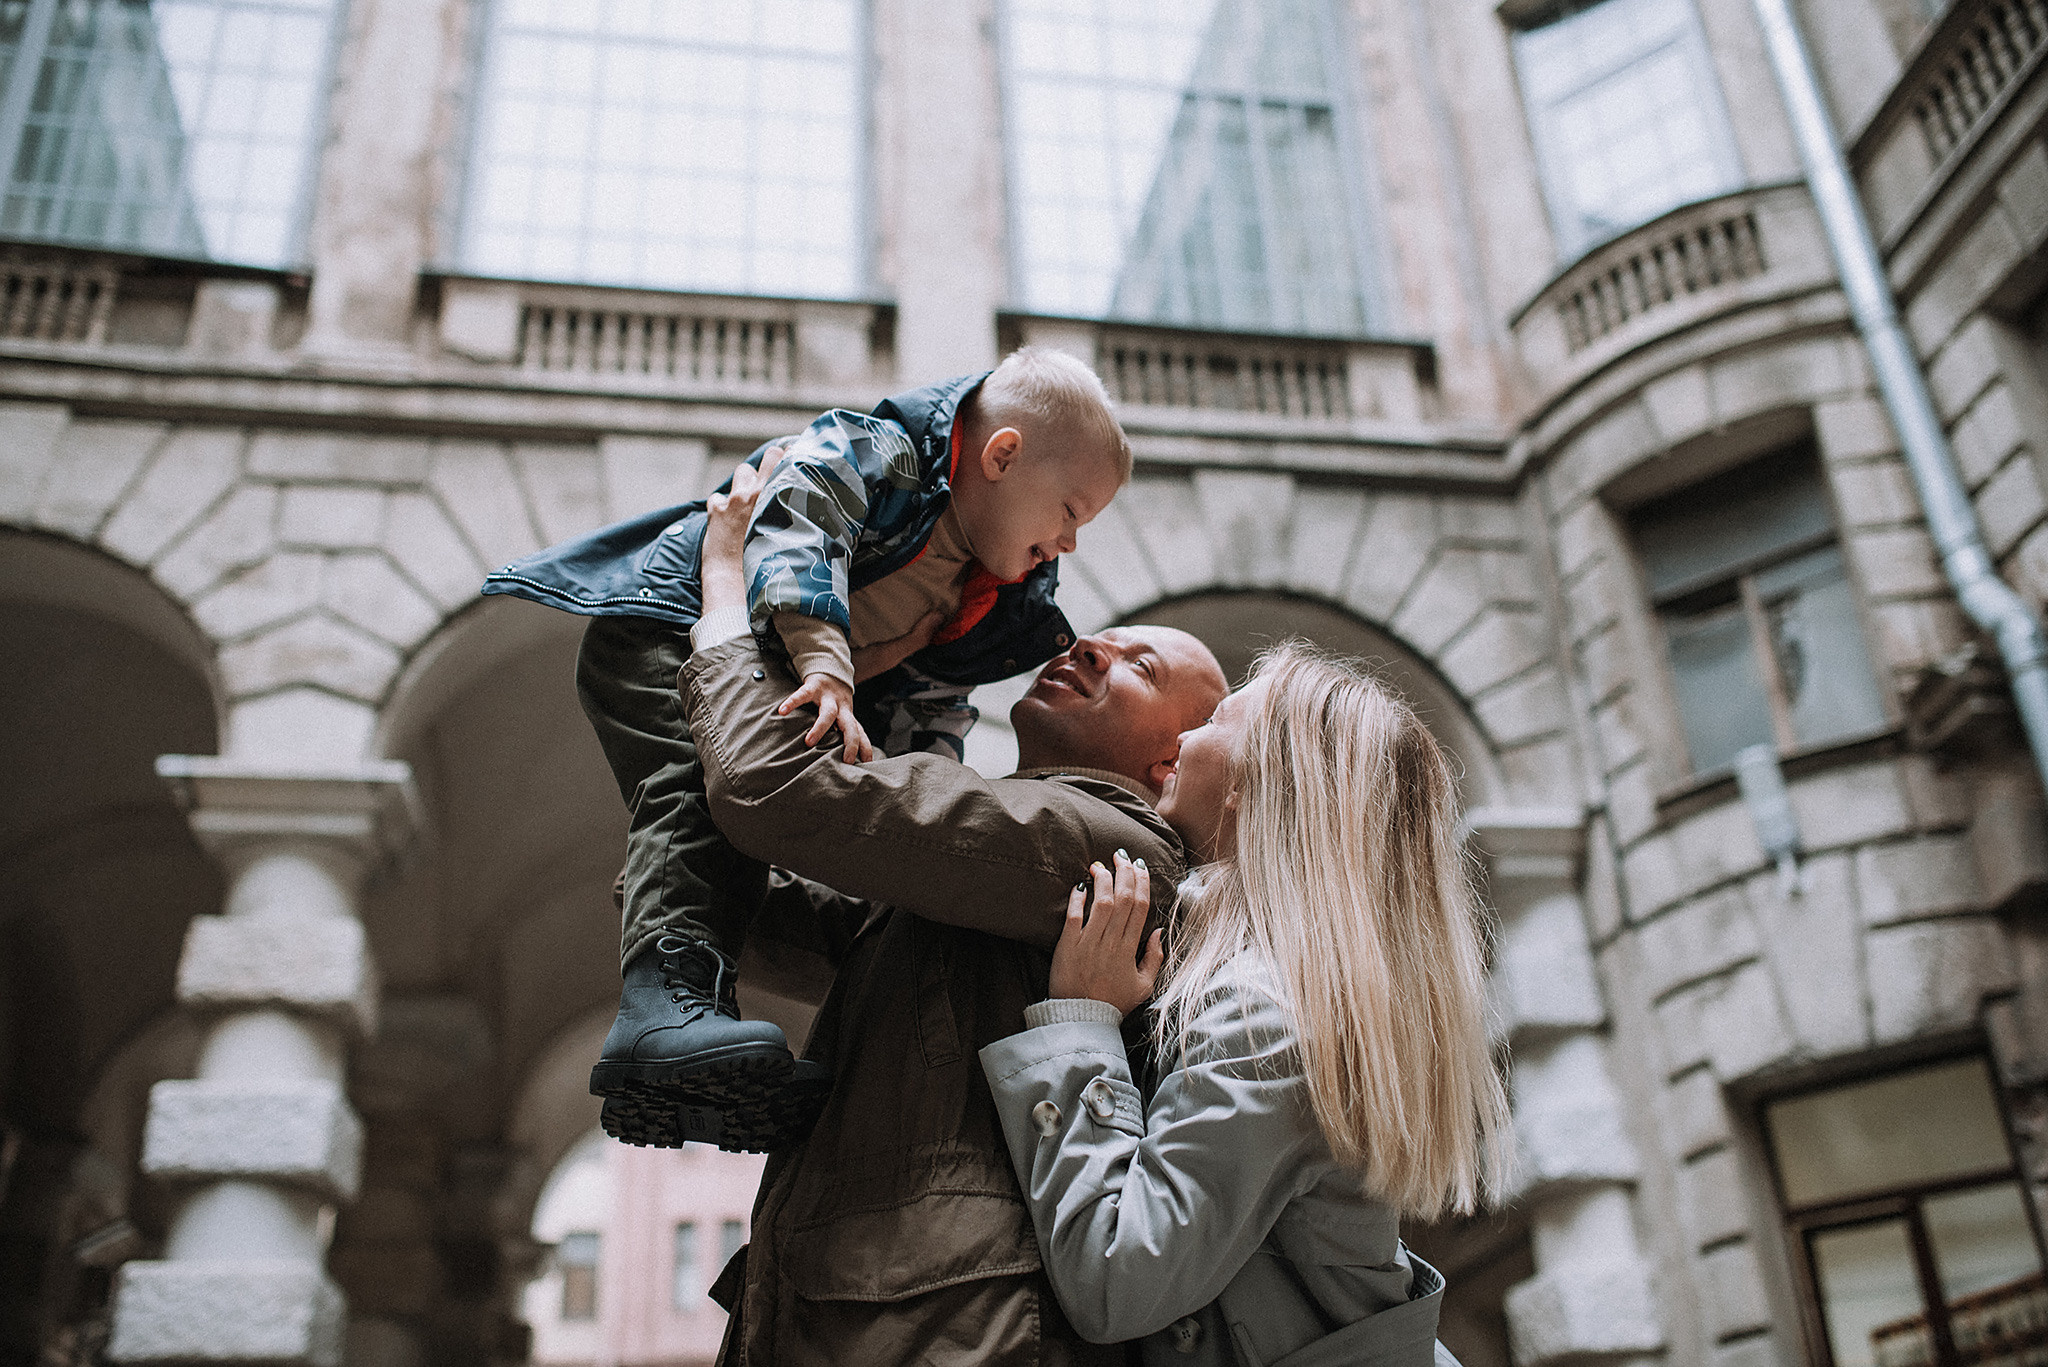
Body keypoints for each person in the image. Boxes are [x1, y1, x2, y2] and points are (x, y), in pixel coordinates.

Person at [481, 347, 1131, 1151]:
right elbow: (800, 522)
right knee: (694, 791)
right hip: (665, 630)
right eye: (1070, 510)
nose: (1069, 542)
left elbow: (934, 708)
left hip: (753, 676)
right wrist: (827, 665)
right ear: (1002, 456)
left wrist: (918, 806)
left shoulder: (983, 598)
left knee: (746, 828)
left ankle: (693, 1031)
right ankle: (660, 1009)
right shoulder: (881, 452)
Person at [672, 461, 1229, 1365]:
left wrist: (725, 599)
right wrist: (670, 858)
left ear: (1169, 764)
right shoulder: (1020, 852)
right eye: (1106, 637)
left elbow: (769, 789)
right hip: (890, 1321)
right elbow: (808, 927)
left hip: (938, 1335)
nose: (1092, 646)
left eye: (1140, 666)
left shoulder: (1103, 846)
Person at [979, 647, 1511, 1366]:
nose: (1180, 737)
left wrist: (1079, 1021)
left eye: (1213, 721)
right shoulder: (1285, 992)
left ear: (1248, 784)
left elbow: (1116, 1278)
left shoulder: (1265, 1016)